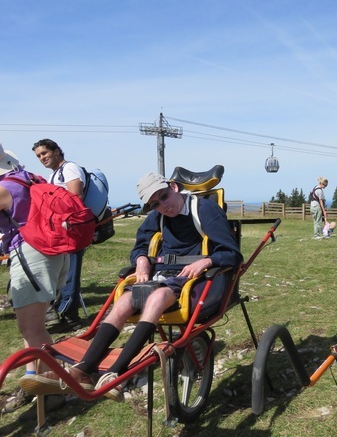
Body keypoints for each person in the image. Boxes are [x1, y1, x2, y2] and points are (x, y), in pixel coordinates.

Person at [20, 172, 243, 402]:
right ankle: (82, 370)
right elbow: (141, 243)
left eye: (164, 197)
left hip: (192, 278)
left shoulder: (205, 210)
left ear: (174, 188)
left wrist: (207, 261)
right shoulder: (158, 215)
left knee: (156, 299)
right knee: (124, 301)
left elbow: (231, 254)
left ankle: (117, 372)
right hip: (162, 273)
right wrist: (141, 259)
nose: (163, 206)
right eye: (155, 204)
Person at [0, 144, 69, 416]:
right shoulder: (24, 179)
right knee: (32, 329)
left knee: (33, 329)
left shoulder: (6, 189)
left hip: (32, 255)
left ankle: (52, 391)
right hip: (48, 253)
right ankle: (34, 383)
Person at [32, 139, 86, 331]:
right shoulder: (54, 174)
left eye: (44, 153)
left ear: (56, 151)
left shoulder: (69, 169)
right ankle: (65, 314)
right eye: (38, 156)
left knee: (69, 274)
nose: (42, 158)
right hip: (60, 231)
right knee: (62, 274)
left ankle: (71, 318)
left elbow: (76, 198)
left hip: (70, 231)